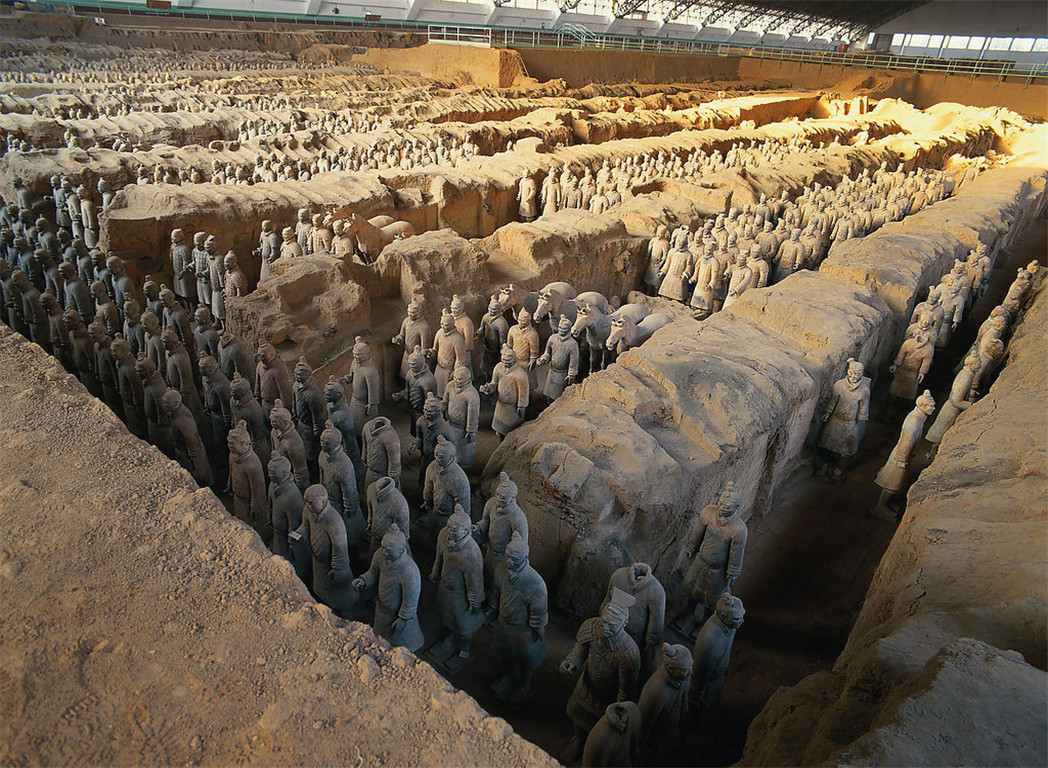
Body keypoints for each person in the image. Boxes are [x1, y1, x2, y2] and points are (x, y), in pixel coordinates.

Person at [559, 588, 641, 762]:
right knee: (577, 713)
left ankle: (592, 748)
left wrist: (619, 709)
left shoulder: (628, 653)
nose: (604, 627)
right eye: (604, 621)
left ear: (624, 623)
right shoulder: (592, 626)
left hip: (607, 697)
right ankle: (580, 741)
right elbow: (580, 649)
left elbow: (626, 687)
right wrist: (571, 662)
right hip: (586, 685)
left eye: (611, 625)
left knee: (599, 727)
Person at [680, 482, 748, 635]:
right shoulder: (708, 512)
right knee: (692, 591)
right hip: (700, 563)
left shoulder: (739, 529)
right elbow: (698, 533)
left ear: (736, 507)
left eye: (728, 507)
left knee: (712, 599)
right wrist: (692, 547)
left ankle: (706, 622)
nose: (723, 508)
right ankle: (688, 616)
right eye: (721, 504)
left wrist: (733, 572)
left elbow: (736, 553)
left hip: (718, 571)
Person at [488, 531, 548, 704]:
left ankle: (525, 684)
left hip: (524, 631)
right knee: (506, 653)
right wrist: (493, 609)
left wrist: (538, 629)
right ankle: (506, 677)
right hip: (504, 623)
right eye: (507, 557)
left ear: (525, 557)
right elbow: (496, 592)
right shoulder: (501, 569)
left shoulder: (536, 583)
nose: (509, 561)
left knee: (526, 660)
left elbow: (539, 612)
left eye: (513, 558)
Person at [353, 524, 424, 651]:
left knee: (400, 648)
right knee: (381, 640)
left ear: (401, 549)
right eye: (383, 547)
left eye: (389, 550)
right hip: (382, 609)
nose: (384, 551)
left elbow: (411, 600)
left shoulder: (410, 571)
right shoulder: (380, 555)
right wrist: (363, 580)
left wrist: (403, 618)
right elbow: (372, 573)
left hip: (398, 616)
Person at [429, 505, 485, 661]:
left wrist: (474, 601)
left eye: (455, 530)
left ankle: (464, 647)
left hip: (462, 595)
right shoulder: (443, 535)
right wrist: (435, 573)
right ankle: (447, 638)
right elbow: (439, 557)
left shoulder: (472, 553)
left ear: (466, 531)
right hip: (445, 588)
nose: (450, 532)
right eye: (449, 527)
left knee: (464, 624)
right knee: (447, 616)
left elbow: (475, 581)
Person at [293, 485, 356, 618]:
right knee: (322, 592)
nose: (307, 505)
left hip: (333, 568)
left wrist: (338, 568)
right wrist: (297, 535)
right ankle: (325, 616)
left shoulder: (334, 521)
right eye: (306, 501)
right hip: (318, 564)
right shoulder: (308, 511)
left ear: (322, 501)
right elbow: (304, 527)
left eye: (310, 502)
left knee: (341, 597)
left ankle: (347, 619)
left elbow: (340, 548)